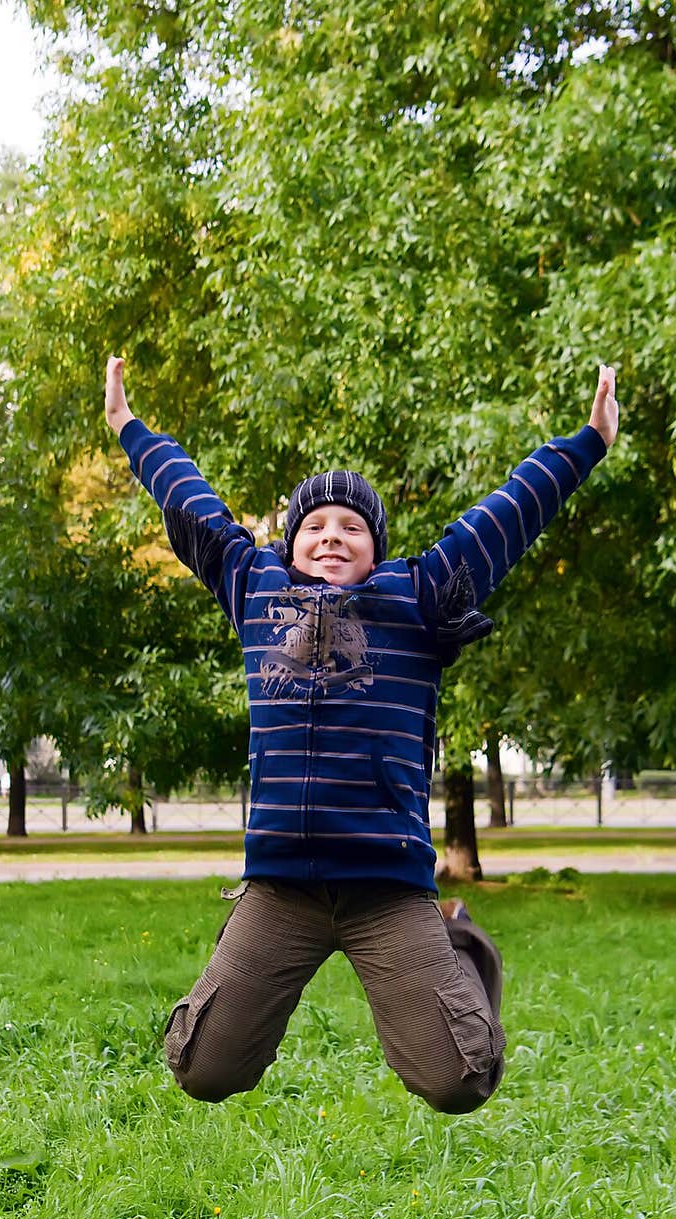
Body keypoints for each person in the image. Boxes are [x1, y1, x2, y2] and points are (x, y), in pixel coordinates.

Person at [104, 355, 619, 1114]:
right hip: (283, 885)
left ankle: (461, 941)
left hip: (387, 886)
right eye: (314, 526)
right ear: (289, 543)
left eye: (352, 527)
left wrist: (590, 440)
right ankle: (240, 945)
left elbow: (508, 511)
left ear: (376, 546)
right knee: (202, 1067)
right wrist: (128, 427)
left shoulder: (421, 594)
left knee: (459, 1078)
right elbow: (191, 501)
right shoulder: (254, 587)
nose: (332, 536)